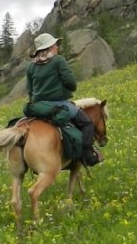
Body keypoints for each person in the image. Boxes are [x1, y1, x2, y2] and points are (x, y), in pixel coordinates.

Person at [26, 33, 102, 166]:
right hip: (58, 104)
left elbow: (30, 91)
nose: (57, 47)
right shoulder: (58, 60)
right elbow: (71, 83)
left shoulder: (31, 66)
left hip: (38, 107)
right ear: (49, 47)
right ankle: (87, 155)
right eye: (55, 44)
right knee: (87, 123)